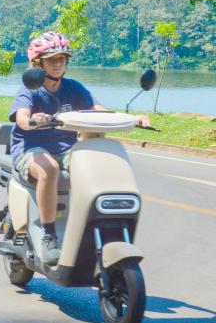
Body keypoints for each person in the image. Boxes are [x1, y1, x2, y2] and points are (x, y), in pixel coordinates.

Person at [8, 31, 150, 264]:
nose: (58, 63)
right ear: (38, 63)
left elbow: (98, 109)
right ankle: (49, 234)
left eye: (62, 59)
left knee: (96, 164)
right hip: (31, 148)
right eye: (52, 59)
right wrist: (34, 120)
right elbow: (22, 118)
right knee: (49, 169)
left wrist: (132, 118)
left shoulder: (73, 87)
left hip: (65, 148)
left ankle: (90, 225)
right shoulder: (30, 91)